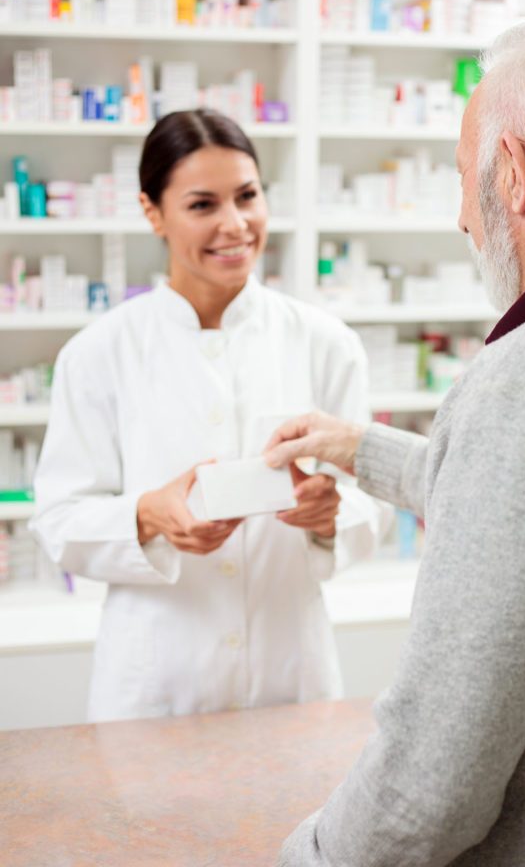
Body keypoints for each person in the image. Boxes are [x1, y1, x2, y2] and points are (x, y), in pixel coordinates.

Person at [267, 17, 525, 866]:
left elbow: (426, 793)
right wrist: (363, 448)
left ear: (511, 173)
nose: (463, 217)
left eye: (463, 179)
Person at [30, 109, 387, 723]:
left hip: (290, 676)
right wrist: (148, 515)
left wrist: (330, 515)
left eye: (247, 196)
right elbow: (58, 520)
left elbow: (371, 500)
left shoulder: (326, 342)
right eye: (202, 205)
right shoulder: (98, 353)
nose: (235, 224)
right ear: (153, 213)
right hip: (156, 687)